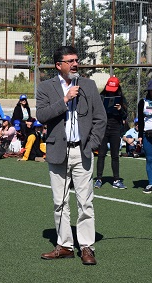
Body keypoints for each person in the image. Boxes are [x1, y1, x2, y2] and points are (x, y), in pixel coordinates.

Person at [36, 46, 106, 265]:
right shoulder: (45, 87)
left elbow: (100, 118)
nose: (76, 64)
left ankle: (86, 247)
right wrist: (64, 100)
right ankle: (65, 245)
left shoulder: (89, 85)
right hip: (57, 151)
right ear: (59, 65)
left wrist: (91, 144)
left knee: (86, 202)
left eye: (77, 60)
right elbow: (42, 115)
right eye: (70, 61)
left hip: (82, 151)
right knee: (60, 202)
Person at [94, 76, 128, 189]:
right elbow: (95, 112)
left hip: (115, 128)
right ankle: (99, 179)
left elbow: (125, 115)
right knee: (101, 154)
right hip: (103, 128)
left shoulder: (121, 99)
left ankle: (116, 180)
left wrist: (120, 110)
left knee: (115, 155)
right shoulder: (101, 97)